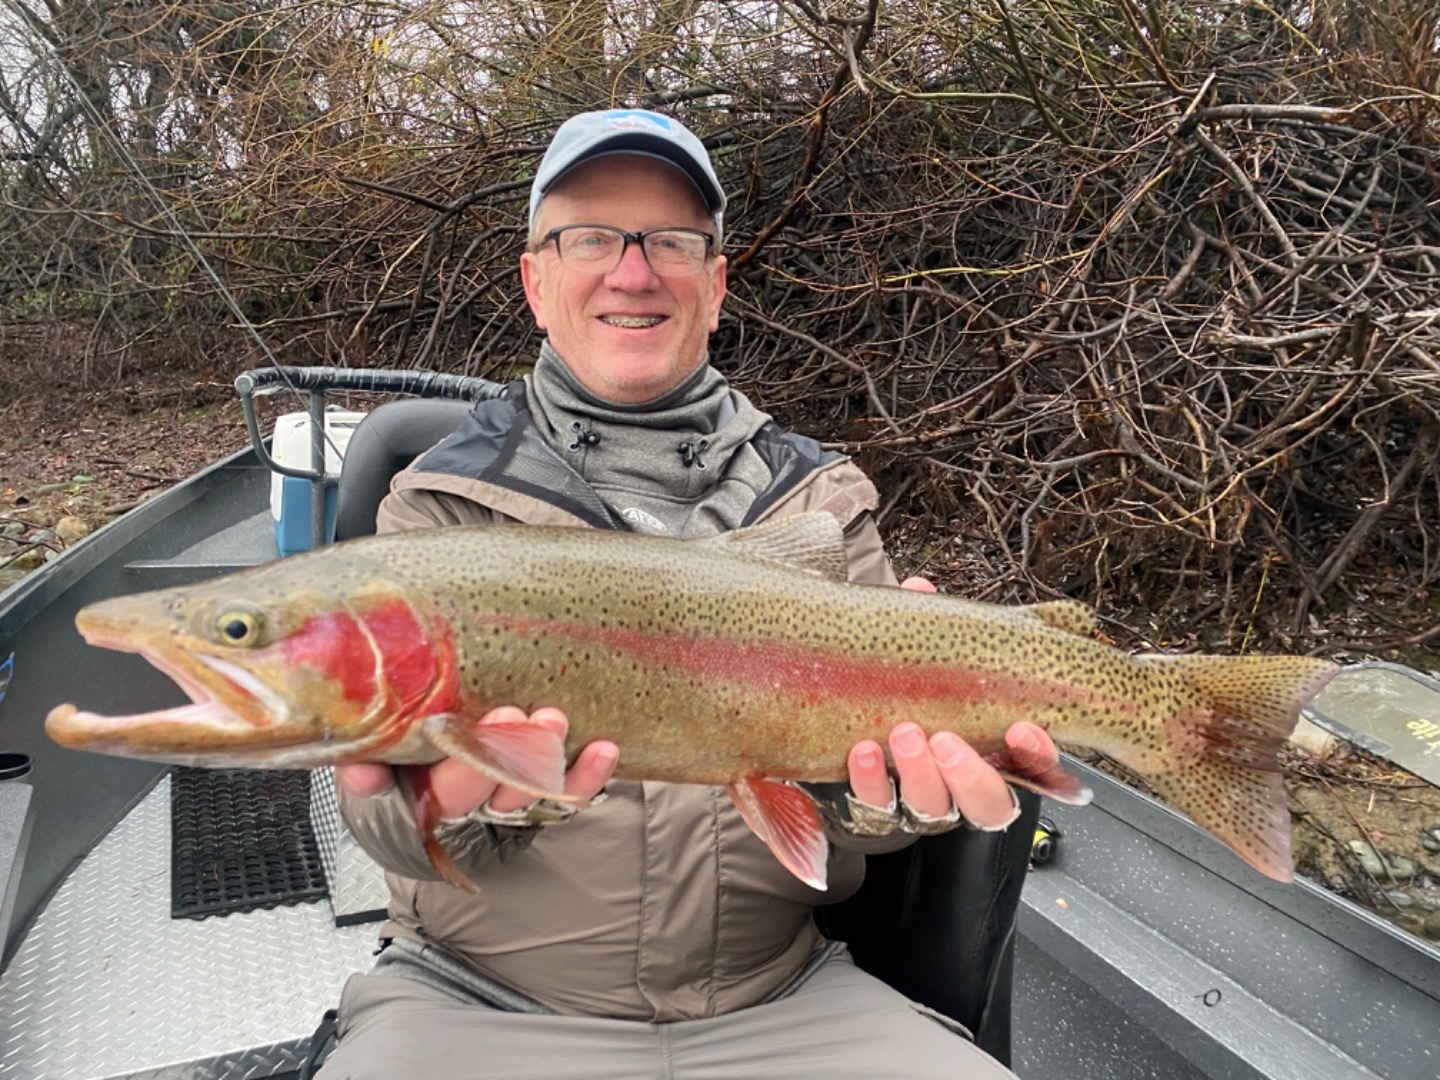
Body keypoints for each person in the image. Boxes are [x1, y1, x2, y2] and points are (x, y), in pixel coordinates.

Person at [316, 108, 1060, 1080]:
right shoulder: (438, 504)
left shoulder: (824, 502)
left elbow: (861, 826)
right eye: (590, 238)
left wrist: (897, 805)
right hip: (473, 1000)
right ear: (536, 281)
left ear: (715, 284)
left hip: (785, 1000)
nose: (633, 272)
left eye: (670, 242)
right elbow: (377, 814)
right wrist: (466, 800)